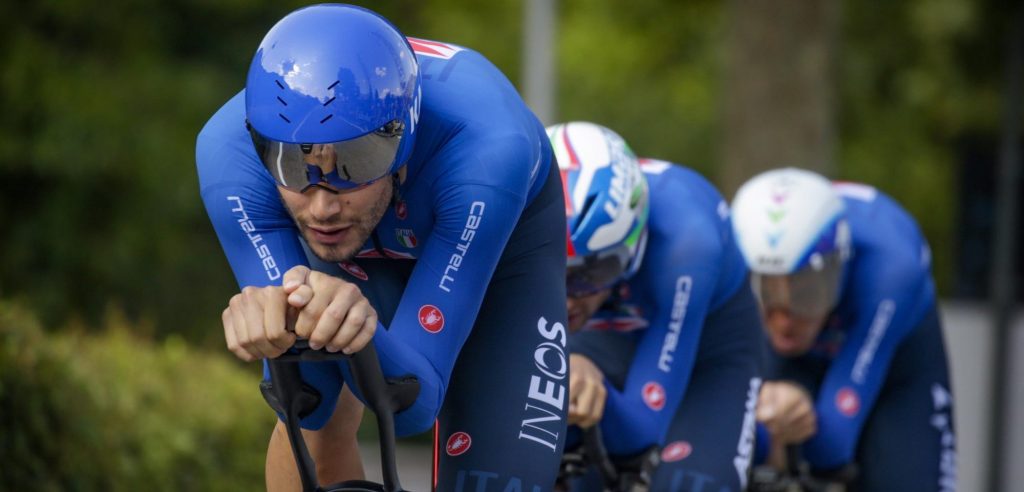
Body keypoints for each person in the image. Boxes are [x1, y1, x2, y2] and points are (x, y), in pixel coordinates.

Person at [195, 4, 570, 490]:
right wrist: (273, 326)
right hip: (366, 242)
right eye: (293, 170)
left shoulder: (488, 148)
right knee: (310, 409)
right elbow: (305, 392)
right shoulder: (229, 154)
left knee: (497, 478)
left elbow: (411, 405)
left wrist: (362, 332)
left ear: (403, 147)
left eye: (353, 165)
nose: (323, 207)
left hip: (498, 250)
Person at [549, 121, 764, 491]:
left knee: (689, 484)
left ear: (633, 244)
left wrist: (589, 373)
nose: (567, 297)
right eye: (549, 269)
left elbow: (640, 434)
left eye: (593, 271)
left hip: (710, 350)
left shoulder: (688, 245)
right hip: (602, 336)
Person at [731, 167, 957, 491]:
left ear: (839, 263)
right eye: (766, 293)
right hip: (799, 356)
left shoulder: (891, 271)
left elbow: (831, 446)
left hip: (895, 364)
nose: (784, 319)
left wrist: (772, 426)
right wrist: (763, 429)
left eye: (806, 293)